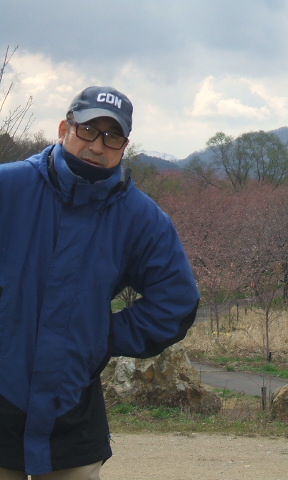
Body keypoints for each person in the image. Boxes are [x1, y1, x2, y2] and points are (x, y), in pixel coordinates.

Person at [0, 86, 200, 478]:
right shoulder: (9, 188)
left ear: (124, 146)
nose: (97, 145)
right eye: (89, 130)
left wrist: (101, 335)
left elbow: (176, 301)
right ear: (65, 129)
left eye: (112, 136)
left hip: (74, 414)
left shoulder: (140, 217)